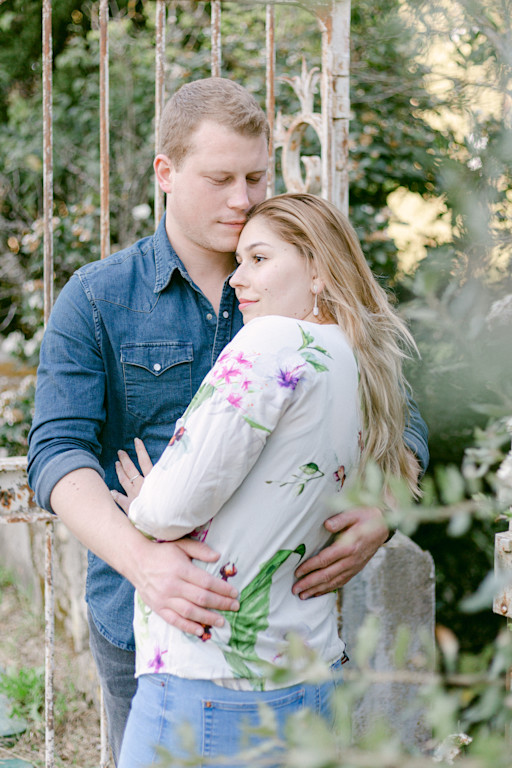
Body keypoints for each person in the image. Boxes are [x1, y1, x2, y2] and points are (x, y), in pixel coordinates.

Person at [27, 78, 428, 764]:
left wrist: (388, 503)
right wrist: (144, 561)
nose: (243, 200)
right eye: (220, 178)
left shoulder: (302, 277)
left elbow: (399, 409)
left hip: (292, 632)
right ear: (166, 173)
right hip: (147, 626)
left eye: (255, 176)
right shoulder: (96, 298)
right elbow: (58, 452)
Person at [112, 192, 421, 768]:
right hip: (308, 675)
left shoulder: (270, 343)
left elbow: (165, 510)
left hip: (215, 682)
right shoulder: (358, 361)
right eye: (239, 262)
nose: (236, 279)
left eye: (258, 259)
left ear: (319, 270)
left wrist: (144, 499)